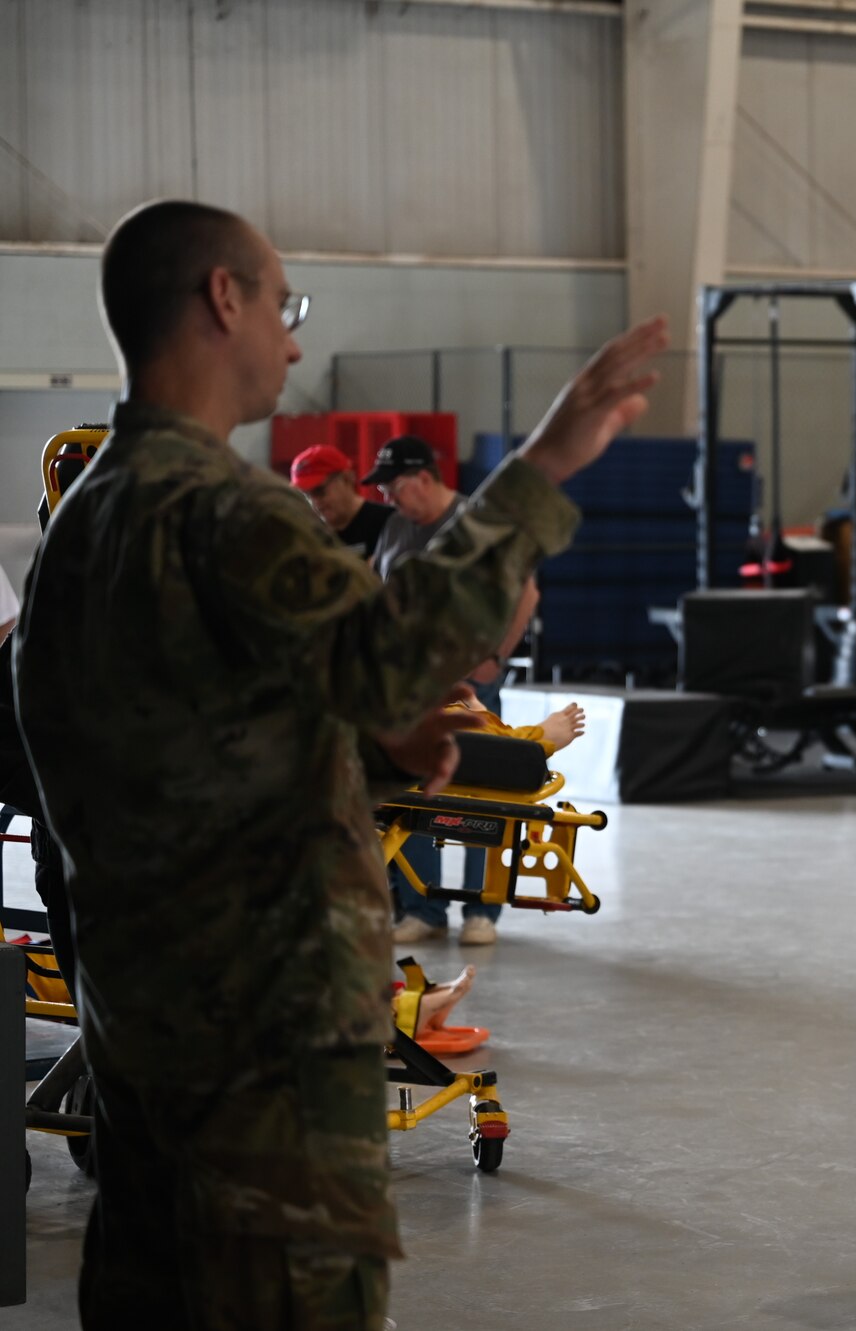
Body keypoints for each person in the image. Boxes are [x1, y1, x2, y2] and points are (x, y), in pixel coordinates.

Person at [10, 196, 667, 1329]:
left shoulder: (82, 530)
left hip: (145, 1048)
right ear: (224, 299)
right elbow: (394, 653)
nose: (294, 338)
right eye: (283, 303)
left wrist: (343, 730)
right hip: (264, 1065)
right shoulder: (223, 510)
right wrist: (547, 461)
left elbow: (180, 745)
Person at [367, 434, 540, 945]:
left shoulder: (477, 523)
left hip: (469, 683)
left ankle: (482, 910)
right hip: (413, 688)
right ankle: (425, 907)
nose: (387, 498)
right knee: (415, 793)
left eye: (394, 488)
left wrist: (494, 657)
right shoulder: (397, 527)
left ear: (424, 478)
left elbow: (526, 591)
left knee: (481, 796)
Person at [291, 443, 394, 560]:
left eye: (319, 491)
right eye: (307, 495)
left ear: (347, 479)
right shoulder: (310, 538)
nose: (315, 502)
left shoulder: (390, 523)